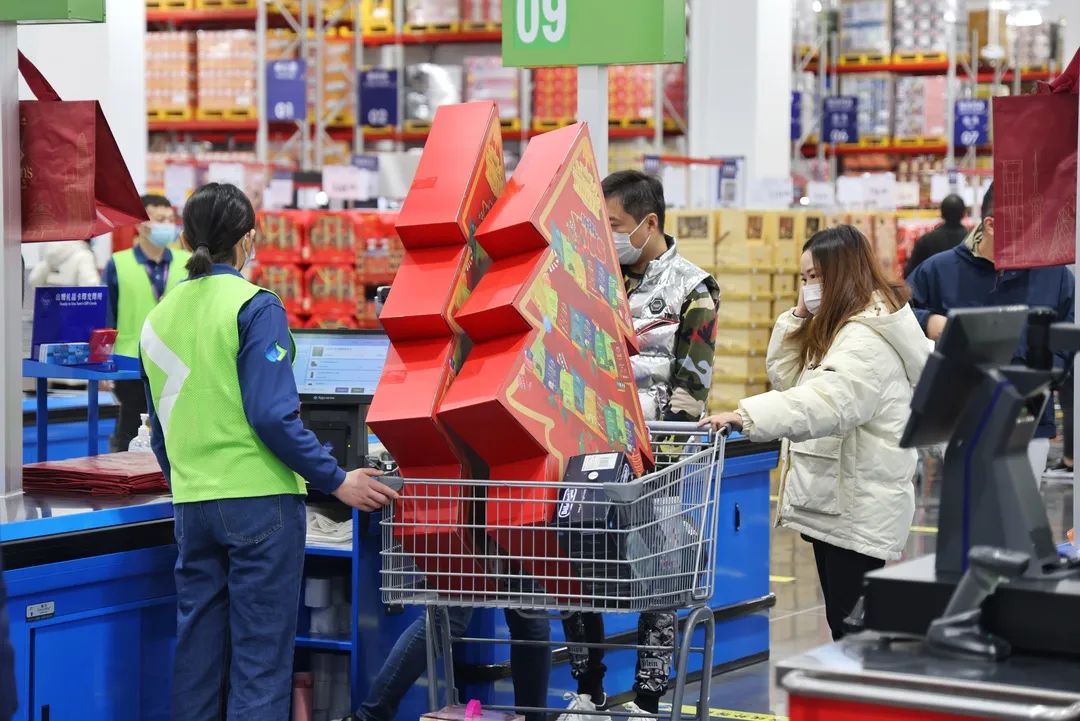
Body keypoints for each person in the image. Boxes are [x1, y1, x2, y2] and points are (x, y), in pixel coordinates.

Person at [141, 182, 398, 720]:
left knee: (198, 660)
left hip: (191, 506)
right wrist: (335, 479)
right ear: (248, 241)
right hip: (259, 505)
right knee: (259, 663)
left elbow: (161, 432)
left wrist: (187, 479)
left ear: (185, 239)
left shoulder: (158, 317)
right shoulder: (256, 307)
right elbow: (271, 416)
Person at [703, 225, 929, 640]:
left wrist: (745, 415)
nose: (808, 288)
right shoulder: (841, 328)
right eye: (804, 278)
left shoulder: (863, 339)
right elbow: (790, 380)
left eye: (817, 278)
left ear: (843, 275)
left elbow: (827, 403)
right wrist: (797, 317)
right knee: (846, 624)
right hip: (838, 498)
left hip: (856, 505)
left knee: (852, 630)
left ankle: (860, 706)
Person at [560, 170, 721, 720]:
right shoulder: (590, 275)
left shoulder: (693, 289)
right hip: (589, 457)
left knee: (657, 579)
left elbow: (691, 387)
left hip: (658, 458)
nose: (606, 236)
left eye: (615, 225)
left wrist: (660, 465)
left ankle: (649, 701)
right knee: (579, 577)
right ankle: (588, 689)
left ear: (648, 223)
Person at [907, 183, 1075, 479]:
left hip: (1028, 418)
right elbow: (895, 318)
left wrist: (1044, 378)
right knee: (968, 515)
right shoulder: (938, 271)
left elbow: (1066, 338)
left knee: (1020, 517)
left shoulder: (1055, 275)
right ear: (992, 225)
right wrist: (927, 321)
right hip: (960, 416)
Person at [344, 607, 551, 721]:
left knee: (531, 623)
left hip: (516, 530)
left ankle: (370, 715)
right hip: (482, 531)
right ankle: (369, 715)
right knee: (444, 620)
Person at [107, 193, 192, 452]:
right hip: (130, 362)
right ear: (141, 224)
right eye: (159, 219)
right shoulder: (118, 263)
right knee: (131, 430)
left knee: (175, 432)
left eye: (170, 219)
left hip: (177, 361)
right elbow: (108, 314)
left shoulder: (186, 262)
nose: (167, 225)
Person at [902, 194, 969, 278]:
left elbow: (909, 272)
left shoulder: (926, 240)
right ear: (964, 213)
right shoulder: (972, 240)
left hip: (934, 289)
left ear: (941, 213)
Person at [27, 240, 101, 288]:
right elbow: (90, 286)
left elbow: (33, 280)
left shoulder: (50, 253)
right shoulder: (84, 255)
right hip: (74, 309)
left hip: (49, 308)